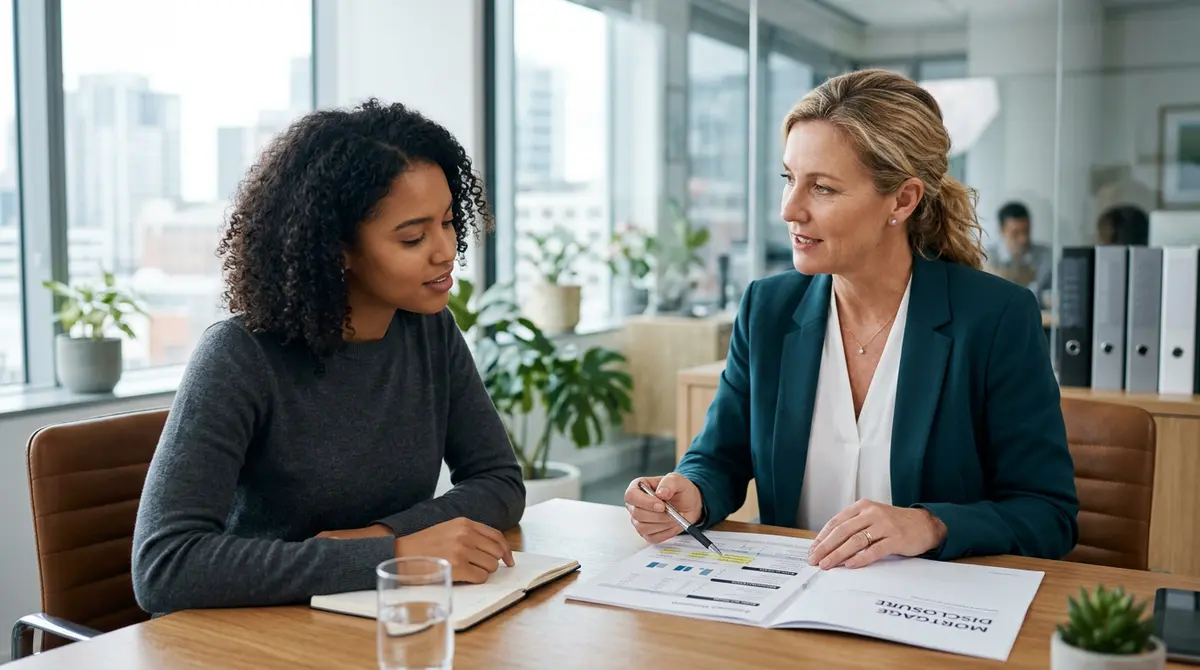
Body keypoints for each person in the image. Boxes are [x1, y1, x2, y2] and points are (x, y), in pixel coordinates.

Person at [624, 69, 1078, 570]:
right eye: (789, 179)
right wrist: (693, 492)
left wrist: (929, 524)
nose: (790, 209)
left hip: (927, 616)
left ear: (903, 200)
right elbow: (720, 456)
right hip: (789, 607)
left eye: (822, 188)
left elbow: (1048, 515)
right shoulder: (767, 310)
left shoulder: (994, 318)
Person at [131, 100, 526, 615]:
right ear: (336, 247)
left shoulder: (430, 332)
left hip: (367, 619)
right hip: (253, 635)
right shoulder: (239, 356)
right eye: (413, 236)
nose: (445, 249)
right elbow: (165, 567)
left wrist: (384, 539)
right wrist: (396, 555)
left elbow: (499, 481)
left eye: (449, 222)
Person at [984, 201, 1053, 307]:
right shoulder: (988, 258)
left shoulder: (1045, 256)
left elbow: (1053, 295)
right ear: (1002, 230)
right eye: (1015, 233)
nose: (1023, 239)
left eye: (1026, 231)